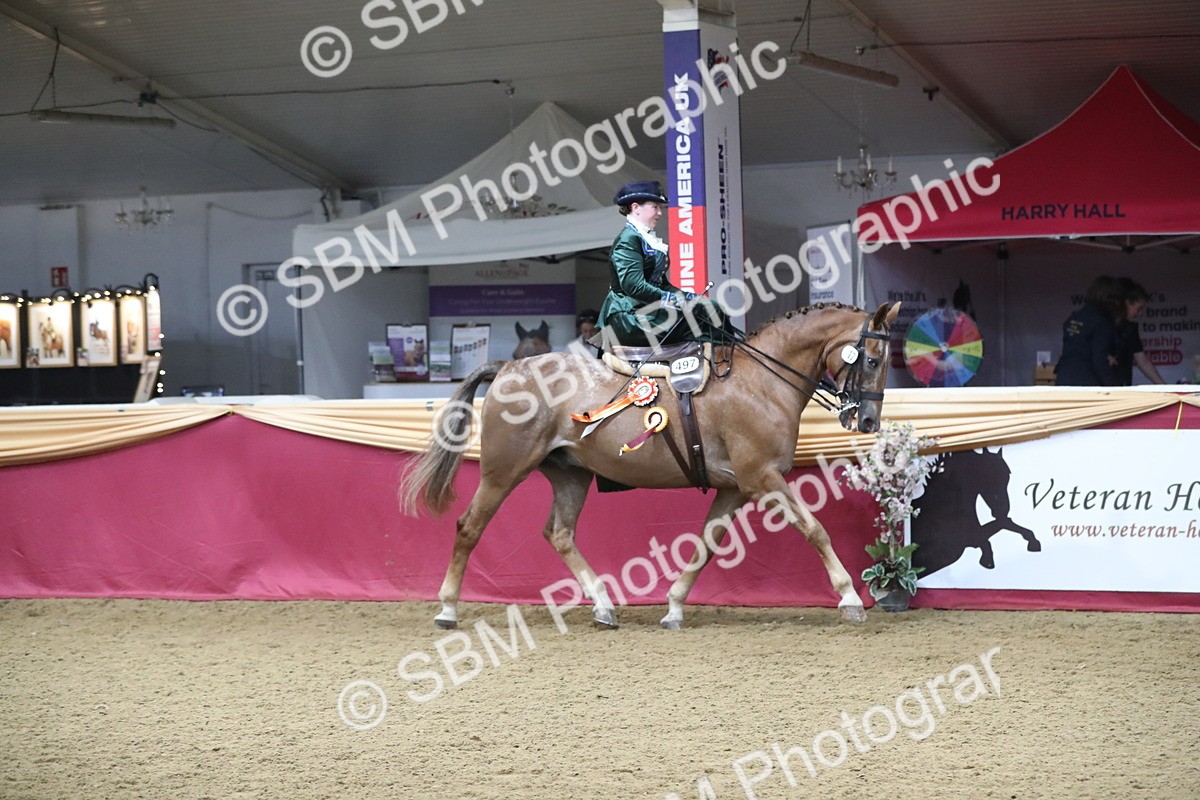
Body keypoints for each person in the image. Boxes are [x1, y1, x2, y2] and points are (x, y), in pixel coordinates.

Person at [595, 181, 724, 347]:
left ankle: (720, 360)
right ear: (636, 208)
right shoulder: (628, 240)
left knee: (710, 307)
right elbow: (633, 285)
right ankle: (716, 363)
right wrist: (669, 299)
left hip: (649, 310)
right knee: (699, 314)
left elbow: (661, 283)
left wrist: (685, 296)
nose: (659, 213)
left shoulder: (645, 239)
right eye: (655, 207)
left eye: (659, 207)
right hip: (629, 316)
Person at [1055, 276, 1122, 386]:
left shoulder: (1074, 317)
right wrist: (1115, 387)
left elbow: (1075, 348)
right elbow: (1099, 360)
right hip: (1086, 382)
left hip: (1064, 378)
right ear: (1113, 299)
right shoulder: (1101, 321)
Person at [1114, 278, 1165, 385]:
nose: (1140, 314)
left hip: (1123, 386)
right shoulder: (1103, 325)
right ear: (1127, 303)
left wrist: (1164, 388)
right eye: (1139, 308)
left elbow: (1143, 361)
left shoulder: (1130, 329)